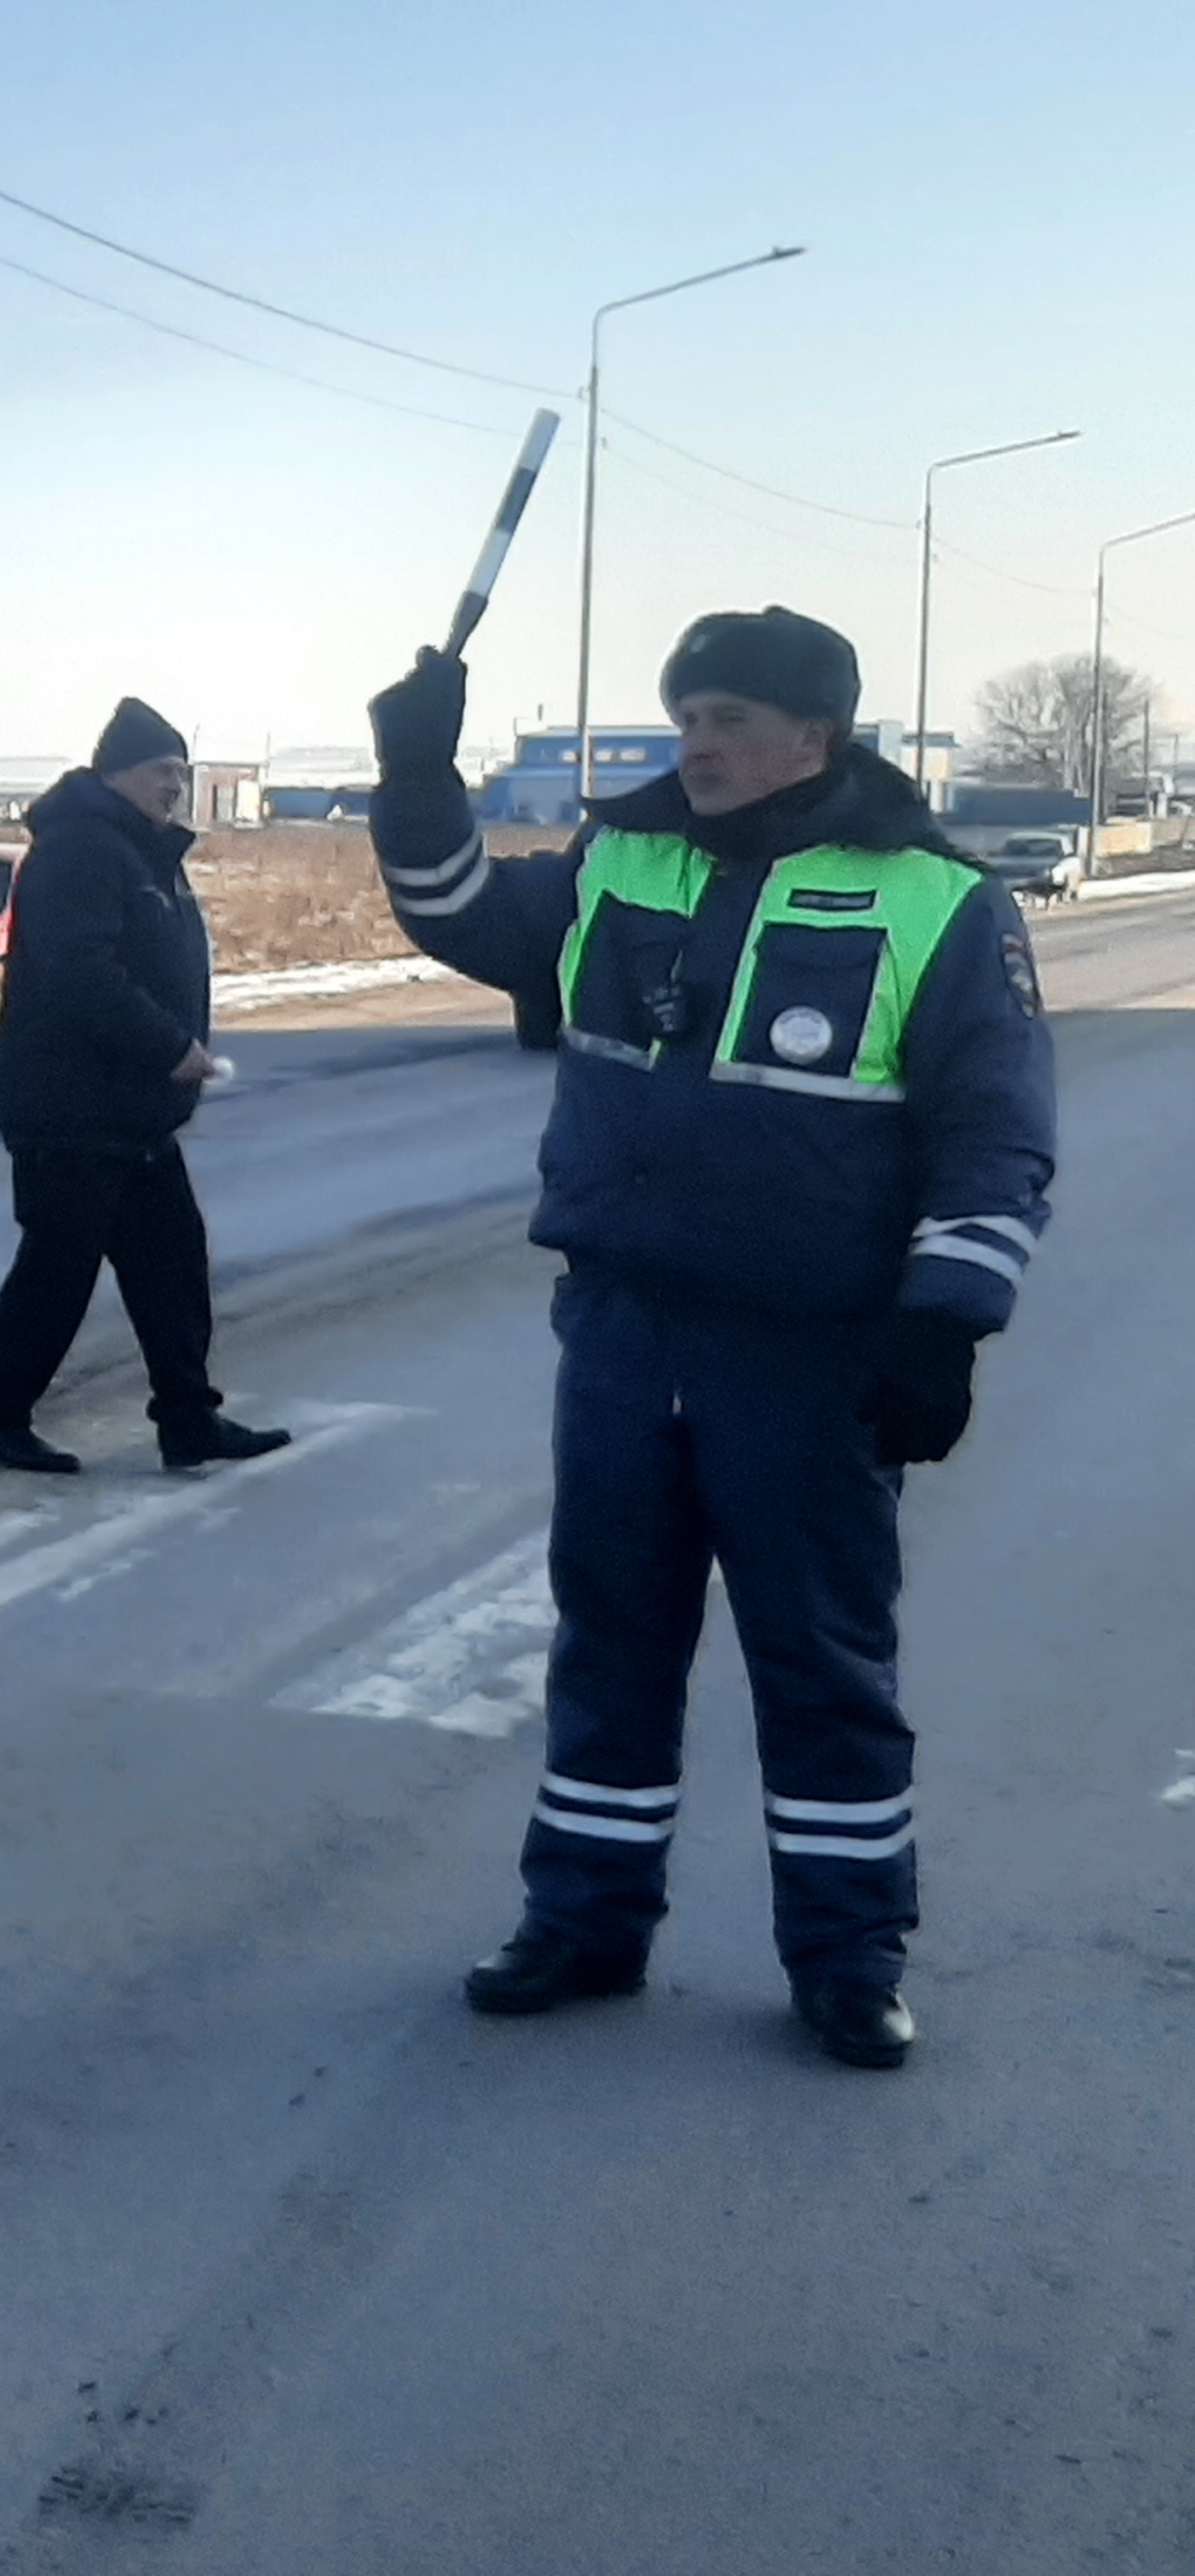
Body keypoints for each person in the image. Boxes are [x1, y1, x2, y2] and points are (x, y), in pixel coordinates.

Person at [365, 606, 1054, 2070]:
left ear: (817, 734)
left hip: (806, 1351)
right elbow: (461, 916)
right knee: (608, 1640)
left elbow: (994, 1135)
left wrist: (945, 1319)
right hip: (621, 1326)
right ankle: (585, 1919)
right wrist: (416, 776)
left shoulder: (934, 900)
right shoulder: (625, 859)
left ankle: (850, 1953)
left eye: (730, 716)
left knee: (819, 1660)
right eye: (685, 714)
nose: (698, 742)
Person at [0, 697, 294, 1475]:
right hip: (72, 1105)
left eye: (183, 772)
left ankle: (189, 1420)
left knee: (172, 1262)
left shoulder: (140, 854)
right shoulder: (82, 849)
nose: (175, 786)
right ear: (116, 774)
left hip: (127, 1111)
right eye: (160, 771)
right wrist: (169, 1044)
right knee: (59, 1268)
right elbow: (80, 972)